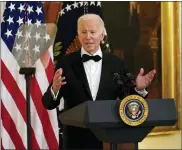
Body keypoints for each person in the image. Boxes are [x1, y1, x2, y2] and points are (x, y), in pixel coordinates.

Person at [42, 14, 156, 150]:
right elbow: (48, 103)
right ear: (78, 35)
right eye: (83, 32)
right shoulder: (66, 63)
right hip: (74, 140)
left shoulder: (116, 64)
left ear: (102, 35)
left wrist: (138, 89)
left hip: (108, 140)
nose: (88, 37)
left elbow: (128, 101)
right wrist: (54, 89)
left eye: (92, 32)